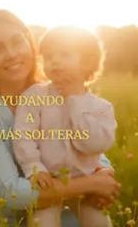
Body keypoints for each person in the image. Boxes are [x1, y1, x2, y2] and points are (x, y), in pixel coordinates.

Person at [0, 11, 120, 224]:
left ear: (30, 45)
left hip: (55, 202)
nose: (11, 54)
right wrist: (91, 184)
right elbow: (10, 192)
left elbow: (81, 142)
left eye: (17, 42)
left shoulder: (58, 92)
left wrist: (103, 171)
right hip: (0, 218)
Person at [12, 26, 116, 227]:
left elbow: (93, 145)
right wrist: (35, 169)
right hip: (49, 182)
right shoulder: (35, 97)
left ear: (87, 62)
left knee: (99, 222)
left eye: (64, 54)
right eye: (49, 56)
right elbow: (23, 136)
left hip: (86, 186)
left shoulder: (101, 108)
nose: (55, 61)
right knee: (43, 222)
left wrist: (75, 101)